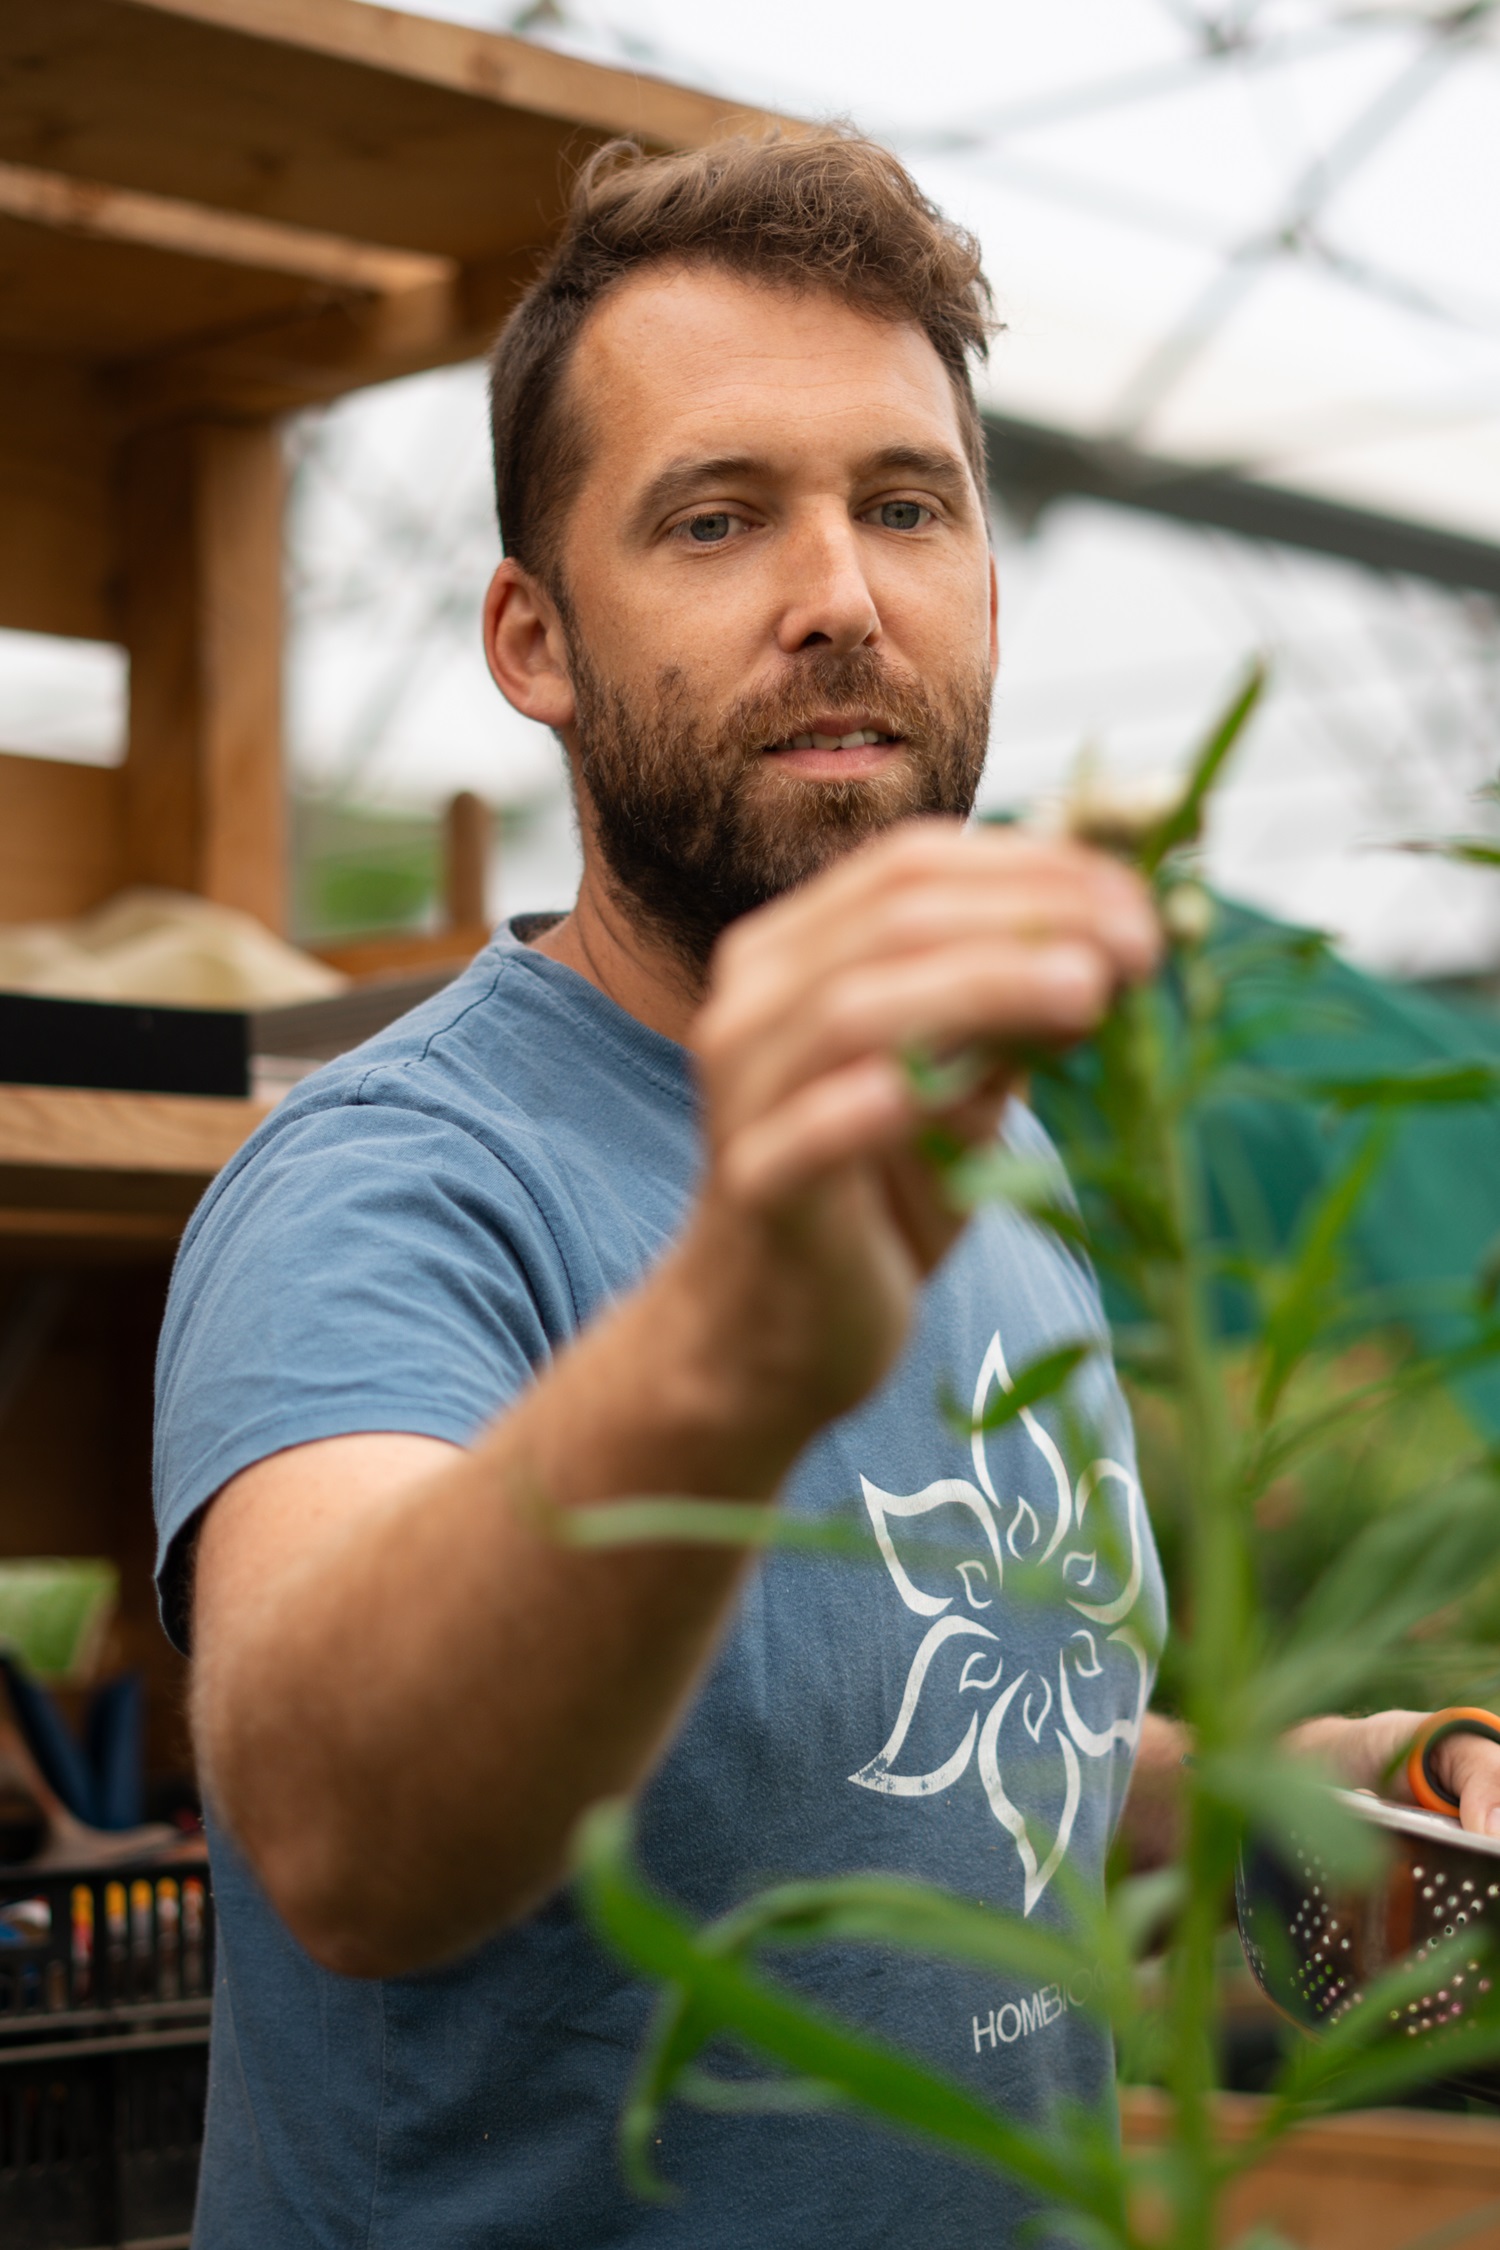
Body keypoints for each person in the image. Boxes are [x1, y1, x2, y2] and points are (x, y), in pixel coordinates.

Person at [155, 133, 1500, 2248]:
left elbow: (889, 1728)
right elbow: (341, 1831)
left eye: (905, 505)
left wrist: (1258, 1793)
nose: (840, 595)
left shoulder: (1008, 1152)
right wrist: (737, 1338)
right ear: (536, 640)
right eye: (715, 519)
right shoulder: (395, 1185)